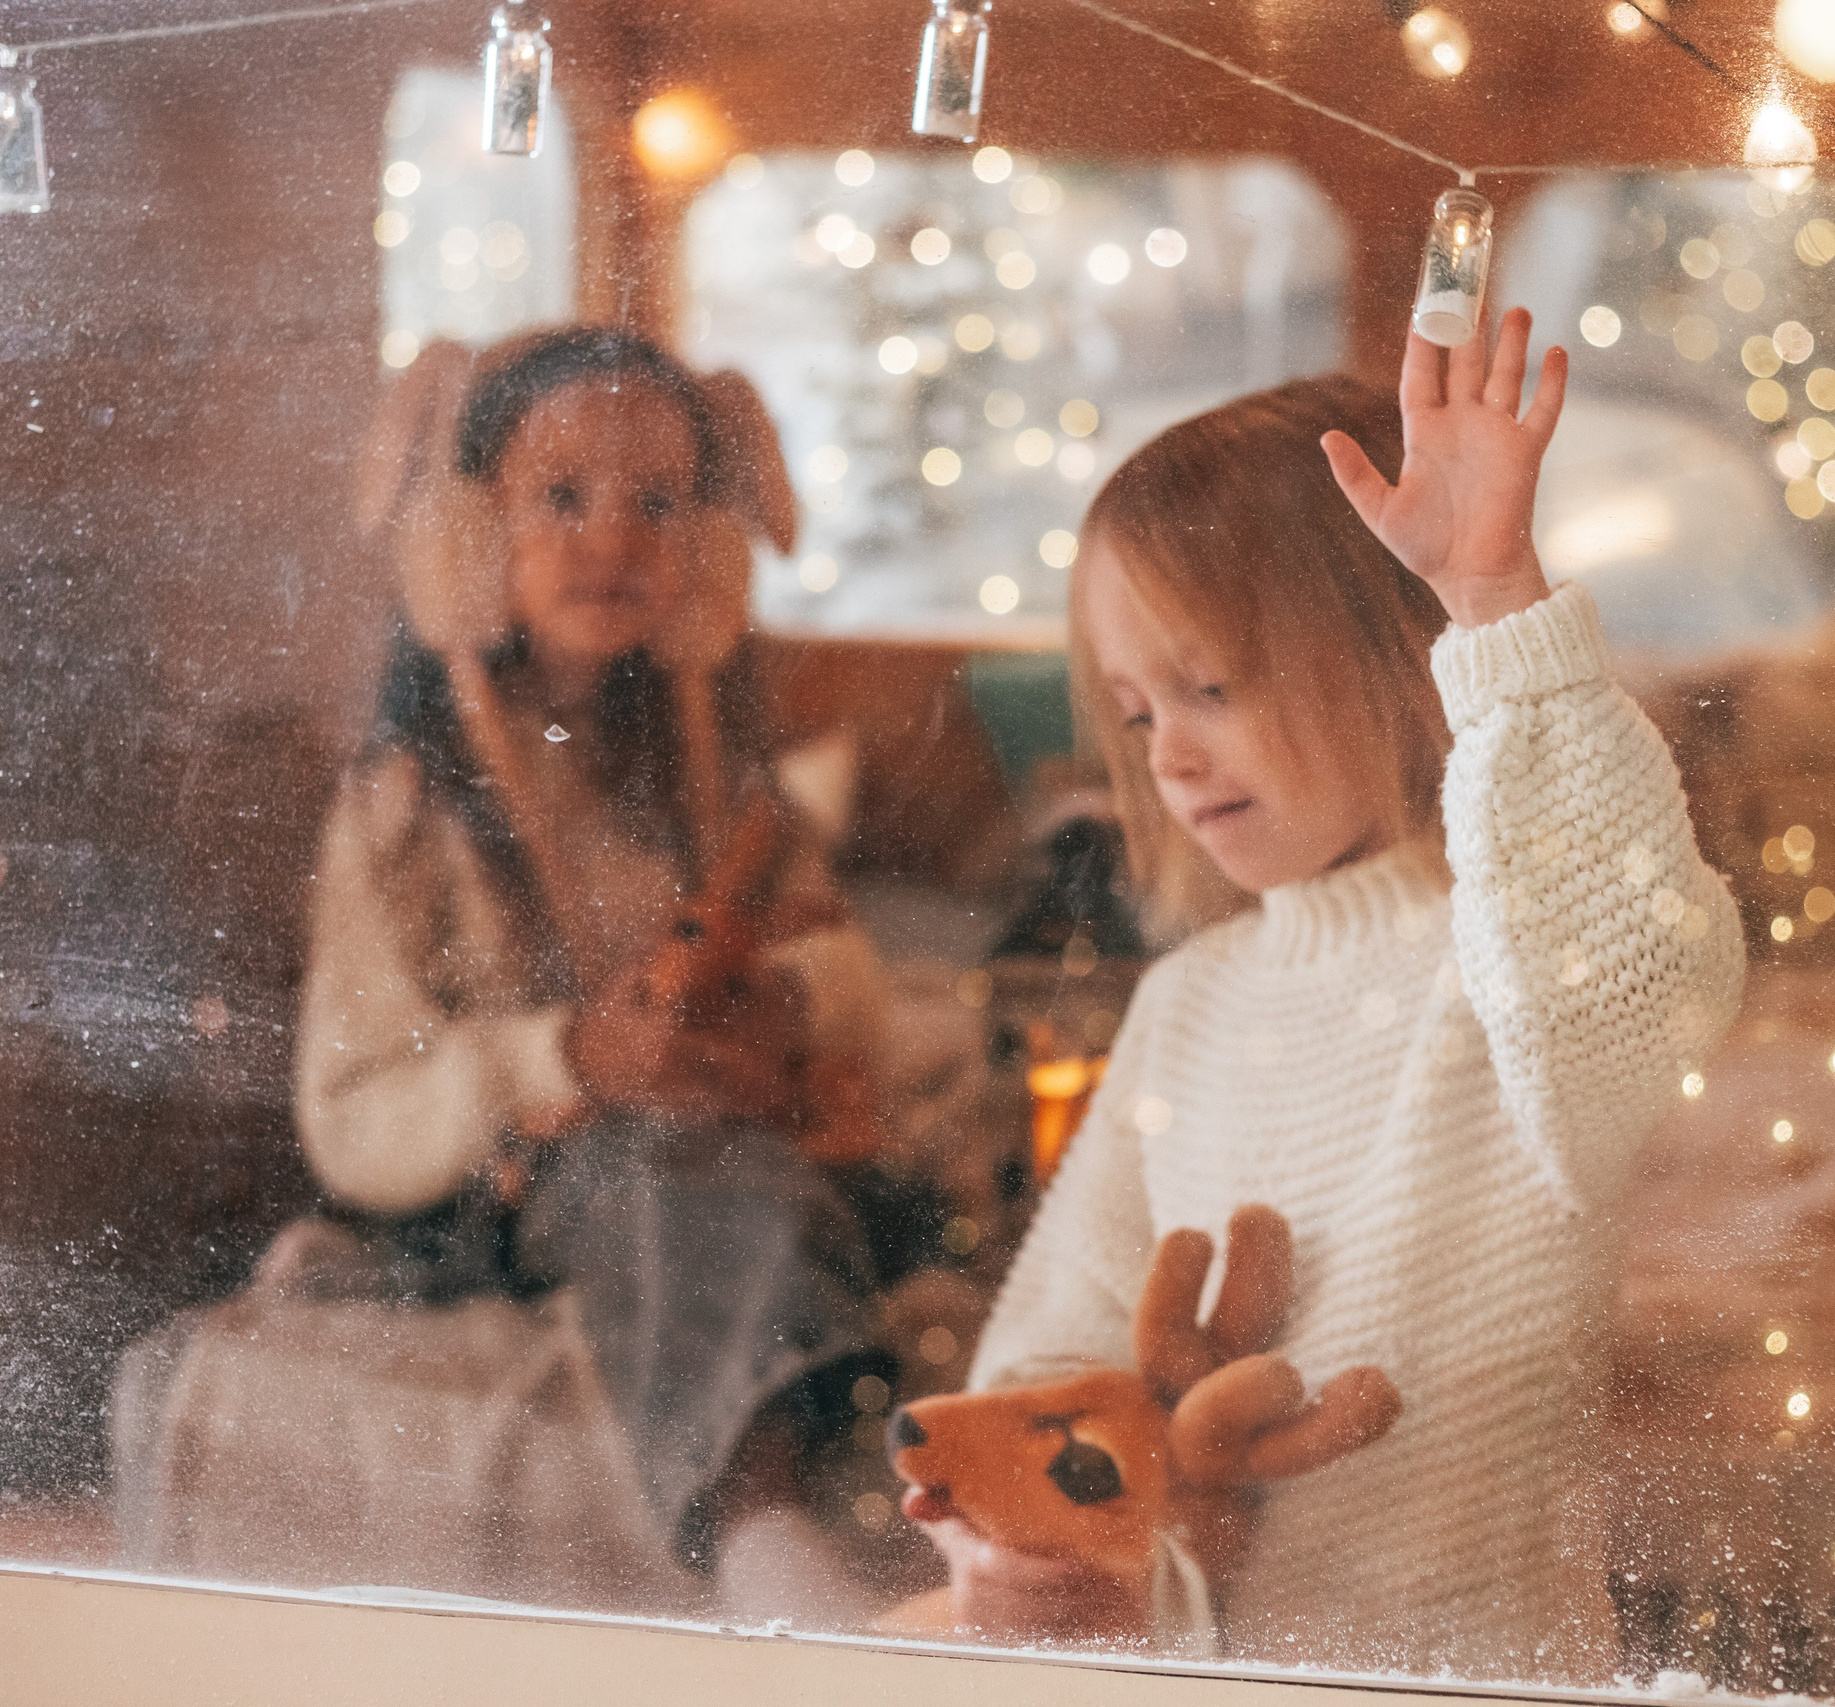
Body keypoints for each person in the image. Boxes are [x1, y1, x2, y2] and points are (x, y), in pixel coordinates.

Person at [924, 313, 1747, 1675]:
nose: (1171, 756)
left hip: (1462, 1674)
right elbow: (1056, 1346)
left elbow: (1644, 967)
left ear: (1392, 648)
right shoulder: (1190, 996)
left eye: (1210, 684)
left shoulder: (1507, 955)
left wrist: (1493, 600)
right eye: (1138, 712)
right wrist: (1014, 1543)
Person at [295, 326, 898, 1611]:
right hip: (521, 1189)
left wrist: (780, 1005)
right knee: (665, 1167)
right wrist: (565, 1056)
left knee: (801, 1172)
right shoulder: (405, 807)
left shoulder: (717, 772)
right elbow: (354, 1112)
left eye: (657, 503)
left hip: (726, 1135)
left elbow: (837, 962)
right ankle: (758, 1527)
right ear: (466, 530)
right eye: (561, 498)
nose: (612, 539)